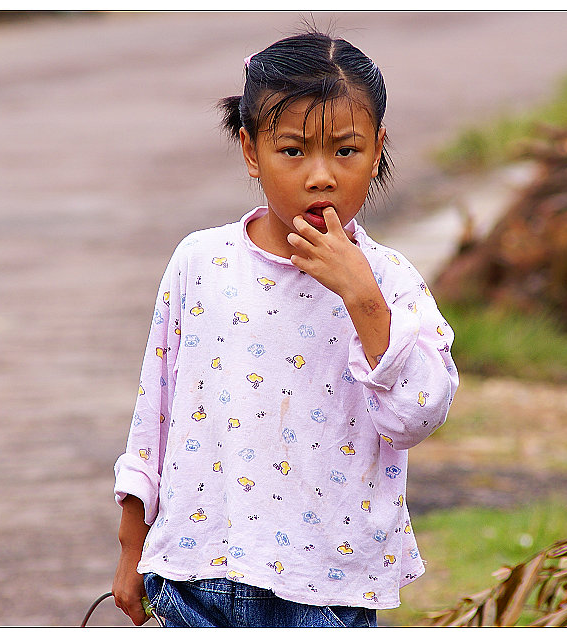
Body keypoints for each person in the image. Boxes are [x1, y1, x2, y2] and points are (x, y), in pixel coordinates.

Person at [111, 29, 459, 628]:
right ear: (251, 151)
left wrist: (362, 298)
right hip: (196, 576)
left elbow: (419, 415)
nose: (320, 176)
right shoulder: (202, 262)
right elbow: (155, 416)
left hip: (327, 590)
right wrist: (130, 550)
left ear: (377, 149)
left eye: (345, 151)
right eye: (293, 150)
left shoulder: (389, 281)